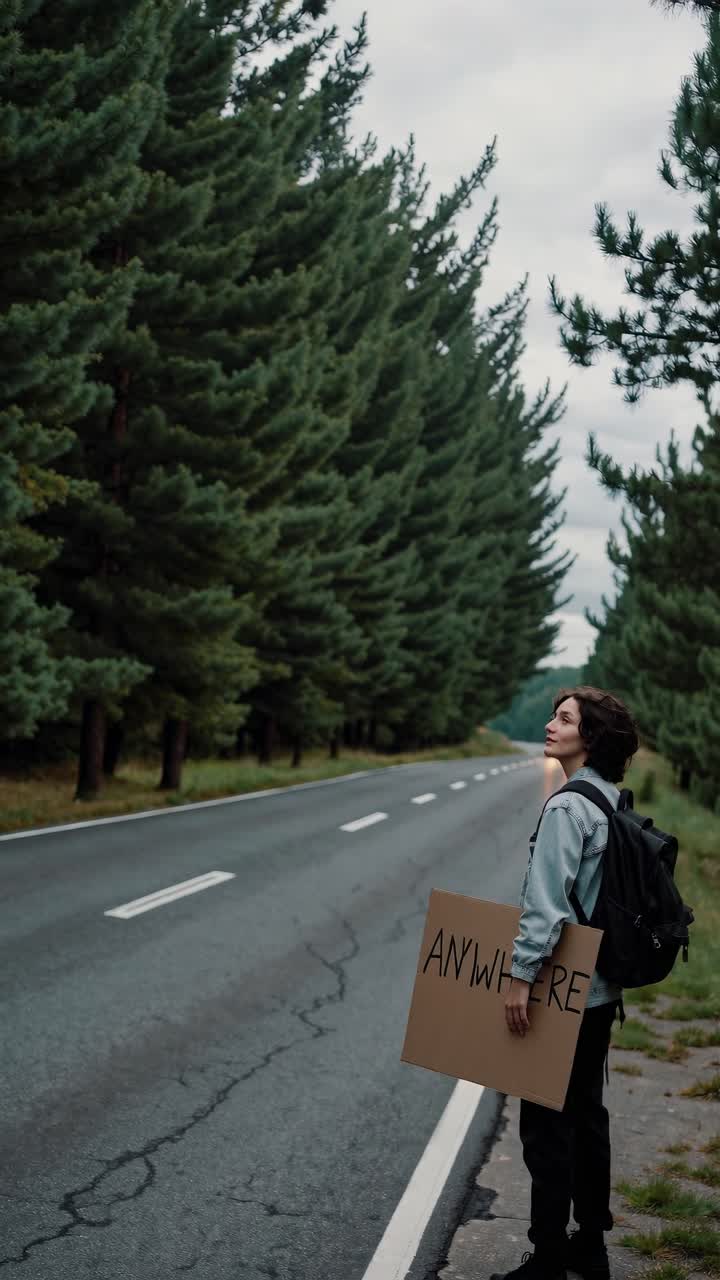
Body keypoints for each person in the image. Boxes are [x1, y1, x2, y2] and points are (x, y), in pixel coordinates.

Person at [491, 685, 639, 1280]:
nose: (551, 726)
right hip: (602, 991)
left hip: (561, 992)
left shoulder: (565, 808)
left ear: (591, 737)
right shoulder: (611, 798)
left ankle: (547, 1257)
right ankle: (591, 1248)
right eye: (553, 717)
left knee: (546, 1125)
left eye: (564, 719)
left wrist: (519, 980)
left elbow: (545, 908)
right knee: (587, 1117)